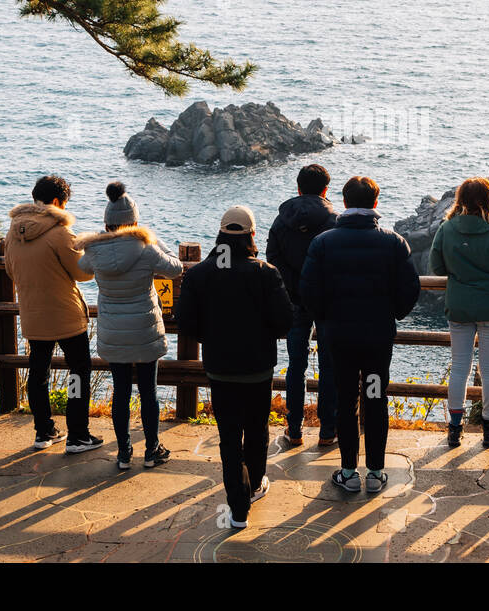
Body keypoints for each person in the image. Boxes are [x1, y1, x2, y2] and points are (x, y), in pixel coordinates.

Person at [299, 176, 421, 494]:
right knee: (375, 397)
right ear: (375, 203)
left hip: (339, 337)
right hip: (377, 339)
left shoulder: (324, 242)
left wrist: (324, 319)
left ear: (345, 201)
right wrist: (392, 313)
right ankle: (377, 472)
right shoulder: (393, 242)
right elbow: (410, 289)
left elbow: (308, 290)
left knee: (346, 398)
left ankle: (349, 471)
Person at [175, 205, 293, 529]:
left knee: (229, 436)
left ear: (221, 233)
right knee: (256, 429)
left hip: (220, 367)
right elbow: (285, 321)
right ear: (252, 234)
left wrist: (210, 336)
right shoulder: (266, 272)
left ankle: (238, 509)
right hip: (257, 367)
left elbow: (185, 322)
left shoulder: (199, 273)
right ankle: (254, 485)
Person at [75, 182, 184, 470]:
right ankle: (152, 450)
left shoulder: (95, 251)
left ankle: (124, 453)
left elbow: (82, 270)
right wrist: (153, 240)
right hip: (144, 328)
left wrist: (101, 239)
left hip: (113, 330)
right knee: (148, 390)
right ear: (134, 222)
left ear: (107, 222)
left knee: (120, 391)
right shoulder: (146, 248)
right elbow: (176, 268)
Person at [3, 175, 103, 454]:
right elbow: (82, 273)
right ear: (58, 202)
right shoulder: (60, 232)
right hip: (66, 314)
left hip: (32, 313)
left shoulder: (13, 232)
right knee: (78, 373)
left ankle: (43, 431)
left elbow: (10, 270)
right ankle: (78, 434)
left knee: (38, 373)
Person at [429, 177, 489, 449]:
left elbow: (436, 268)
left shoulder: (446, 229)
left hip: (459, 306)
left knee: (459, 367)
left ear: (461, 201)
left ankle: (455, 428)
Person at [266, 163, 339, 447]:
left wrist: (291, 287)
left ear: (298, 188)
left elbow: (273, 259)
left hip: (293, 300)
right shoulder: (334, 221)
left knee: (296, 364)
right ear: (325, 189)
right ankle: (328, 430)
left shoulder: (281, 220)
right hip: (326, 301)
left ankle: (294, 430)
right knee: (329, 365)